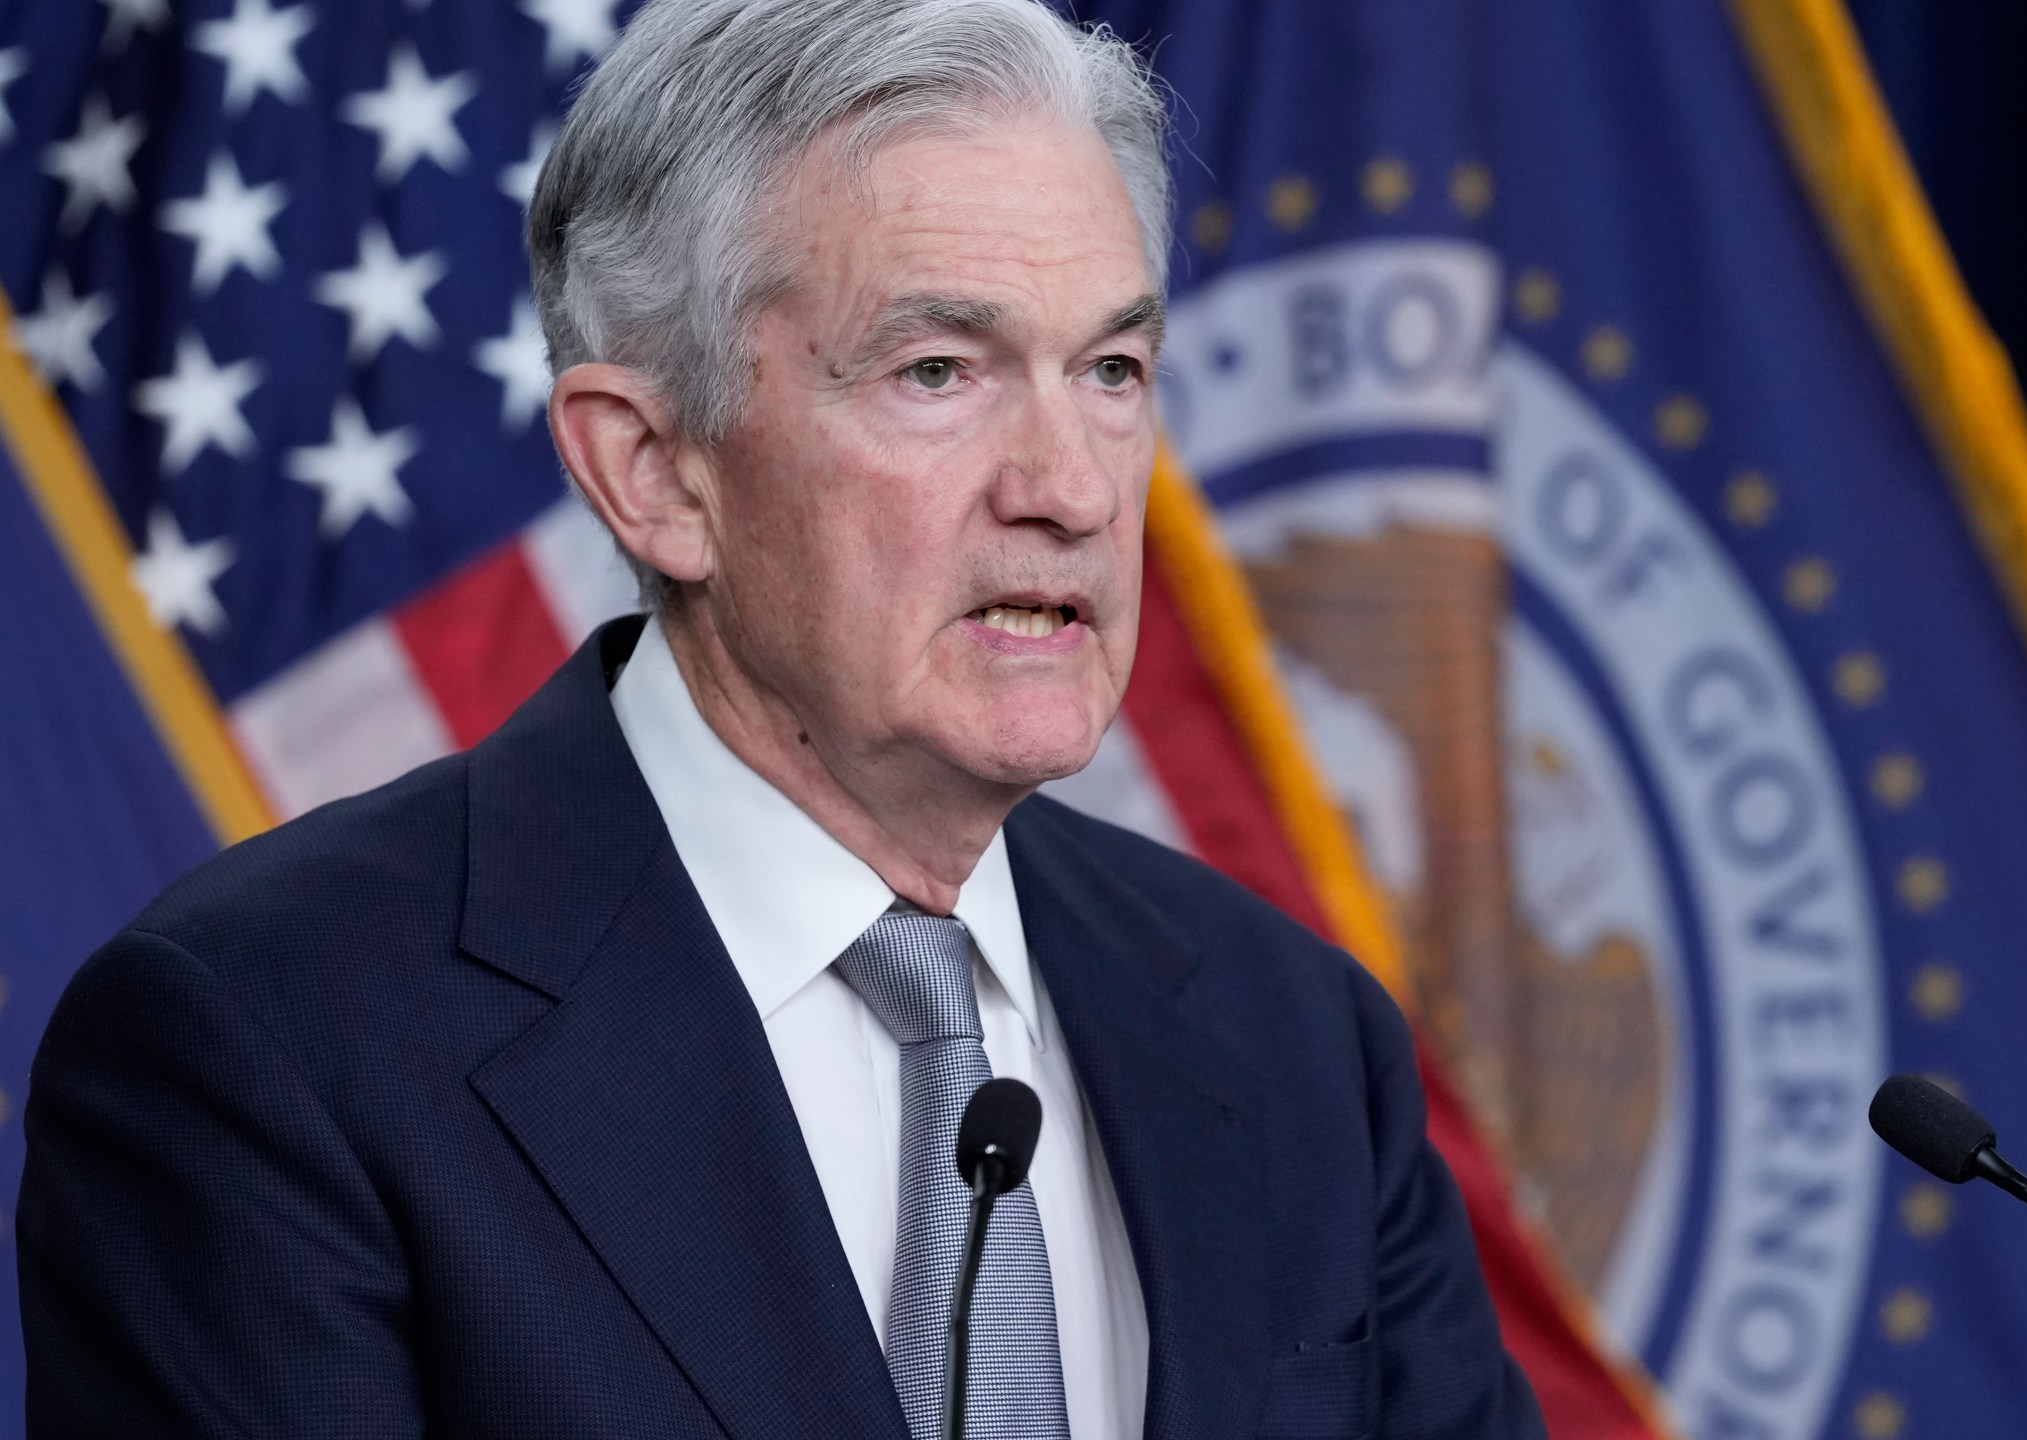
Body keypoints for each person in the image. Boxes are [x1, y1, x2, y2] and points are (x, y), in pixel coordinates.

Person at [14, 1, 1545, 1435]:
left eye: (1111, 370)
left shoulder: (1296, 1039)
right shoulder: (273, 1046)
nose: (1072, 489)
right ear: (654, 471)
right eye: (939, 370)